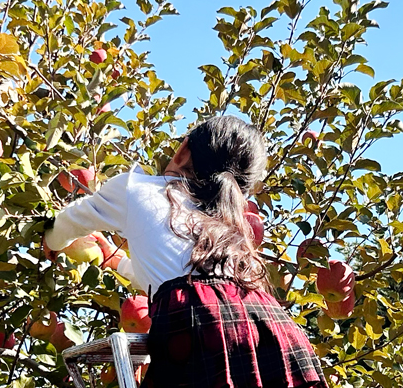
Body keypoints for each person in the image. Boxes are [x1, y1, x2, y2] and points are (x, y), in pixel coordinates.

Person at [44, 115, 328, 388]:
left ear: (183, 151)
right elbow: (181, 277)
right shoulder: (228, 222)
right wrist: (119, 263)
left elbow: (72, 222)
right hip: (269, 323)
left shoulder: (135, 187)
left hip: (197, 324)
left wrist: (50, 240)